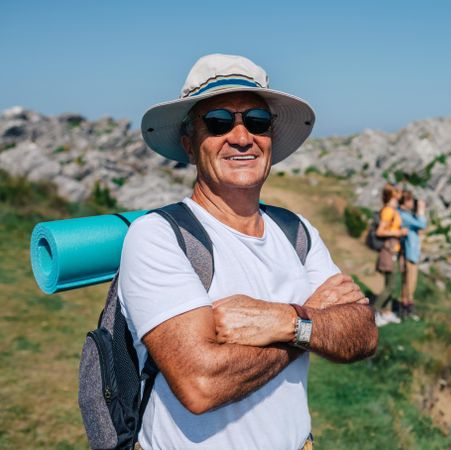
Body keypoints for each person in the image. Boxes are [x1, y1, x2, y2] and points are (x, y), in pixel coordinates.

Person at [119, 54, 378, 450]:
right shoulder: (158, 236)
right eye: (218, 122)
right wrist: (309, 324)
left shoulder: (296, 230)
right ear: (190, 144)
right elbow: (202, 384)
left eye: (257, 121)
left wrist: (285, 321)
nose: (242, 137)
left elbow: (363, 333)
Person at [373, 183, 408, 324]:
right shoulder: (388, 211)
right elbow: (380, 231)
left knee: (391, 284)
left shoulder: (393, 210)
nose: (401, 194)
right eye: (398, 192)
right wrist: (399, 232)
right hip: (389, 251)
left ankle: (385, 313)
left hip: (393, 250)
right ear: (393, 195)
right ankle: (374, 313)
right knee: (391, 285)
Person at [398, 191, 427, 317]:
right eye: (409, 200)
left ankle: (406, 308)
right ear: (404, 202)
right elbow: (422, 224)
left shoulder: (406, 214)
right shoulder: (403, 215)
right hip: (410, 253)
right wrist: (421, 210)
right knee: (410, 282)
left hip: (411, 252)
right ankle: (406, 308)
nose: (412, 202)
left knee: (409, 282)